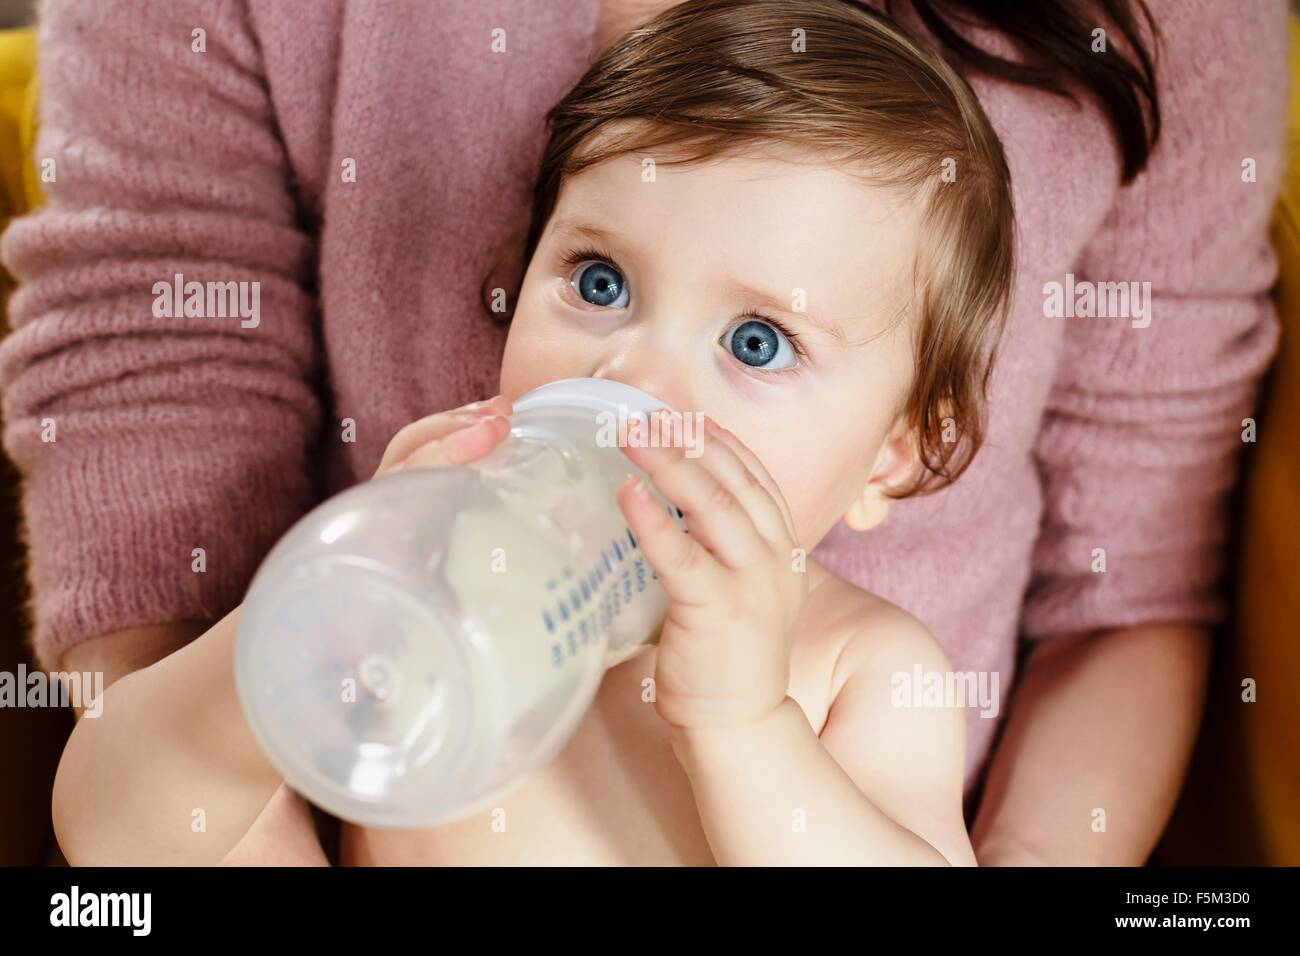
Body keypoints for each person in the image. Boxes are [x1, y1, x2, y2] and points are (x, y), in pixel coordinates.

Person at [2, 0, 1285, 864]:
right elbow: (113, 826)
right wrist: (275, 645)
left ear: (902, 446)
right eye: (600, 282)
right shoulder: (427, 599)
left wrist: (739, 726)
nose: (631, 371)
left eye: (757, 342)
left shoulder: (856, 671)